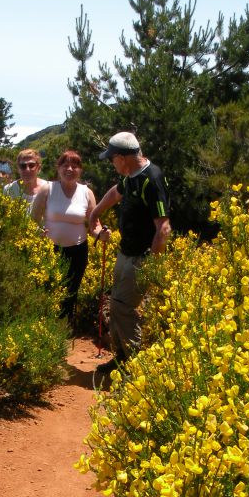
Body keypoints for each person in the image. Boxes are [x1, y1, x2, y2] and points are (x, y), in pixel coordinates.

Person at [88, 131, 171, 376]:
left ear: (122, 157)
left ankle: (137, 369)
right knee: (115, 306)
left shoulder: (151, 179)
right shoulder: (130, 176)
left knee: (123, 307)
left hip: (141, 257)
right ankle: (122, 358)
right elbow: (117, 191)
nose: (112, 164)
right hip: (126, 252)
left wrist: (152, 266)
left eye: (112, 159)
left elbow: (163, 227)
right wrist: (97, 212)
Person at [31, 150, 102, 322]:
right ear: (58, 168)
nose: (70, 169)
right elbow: (33, 219)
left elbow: (94, 223)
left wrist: (101, 234)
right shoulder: (47, 189)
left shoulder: (87, 193)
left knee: (71, 290)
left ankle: (65, 327)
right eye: (65, 165)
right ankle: (46, 325)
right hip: (50, 249)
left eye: (75, 166)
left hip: (78, 250)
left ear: (80, 170)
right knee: (48, 288)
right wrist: (37, 232)